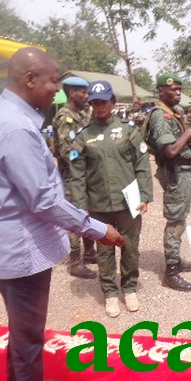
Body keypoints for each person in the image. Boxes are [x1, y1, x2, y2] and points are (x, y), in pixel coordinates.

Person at [0, 47, 124, 381]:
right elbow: (43, 200)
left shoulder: (4, 113)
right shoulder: (16, 126)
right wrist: (97, 229)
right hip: (17, 247)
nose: (56, 91)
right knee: (28, 332)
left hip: (6, 240)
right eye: (53, 81)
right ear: (29, 79)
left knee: (21, 326)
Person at [69, 80, 153, 317]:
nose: (99, 107)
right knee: (104, 250)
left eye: (103, 102)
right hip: (99, 204)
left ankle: (129, 288)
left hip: (129, 201)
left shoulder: (128, 130)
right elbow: (76, 172)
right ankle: (110, 293)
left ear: (112, 102)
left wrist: (145, 195)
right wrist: (80, 204)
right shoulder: (83, 136)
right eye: (94, 103)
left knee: (130, 246)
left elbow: (142, 164)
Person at [142, 73, 191, 292]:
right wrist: (188, 134)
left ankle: (176, 258)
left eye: (179, 90)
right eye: (173, 89)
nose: (177, 93)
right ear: (161, 91)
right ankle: (171, 271)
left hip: (182, 171)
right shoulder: (160, 116)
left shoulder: (173, 113)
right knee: (175, 219)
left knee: (180, 217)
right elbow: (171, 150)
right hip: (174, 172)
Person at [51, 76, 98, 278]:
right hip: (72, 176)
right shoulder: (65, 117)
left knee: (88, 213)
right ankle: (75, 262)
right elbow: (66, 152)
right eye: (83, 92)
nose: (87, 96)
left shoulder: (84, 114)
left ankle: (89, 252)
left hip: (86, 174)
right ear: (72, 93)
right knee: (74, 217)